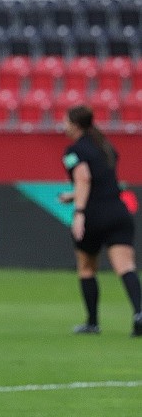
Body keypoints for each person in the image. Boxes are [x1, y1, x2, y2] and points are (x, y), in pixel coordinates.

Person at [59, 104, 142, 337]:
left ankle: (93, 322)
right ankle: (139, 313)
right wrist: (72, 195)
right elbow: (101, 181)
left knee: (86, 267)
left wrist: (79, 212)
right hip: (118, 210)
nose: (63, 125)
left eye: (65, 121)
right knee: (126, 267)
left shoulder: (73, 151)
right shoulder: (105, 146)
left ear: (75, 125)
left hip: (94, 214)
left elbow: (84, 178)